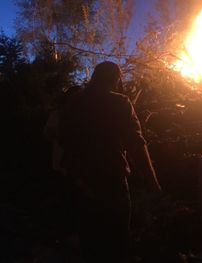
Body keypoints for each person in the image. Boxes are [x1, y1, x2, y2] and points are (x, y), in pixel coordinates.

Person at [59, 61, 161, 263]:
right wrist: (153, 183)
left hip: (79, 186)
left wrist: (76, 175)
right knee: (117, 244)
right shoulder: (120, 103)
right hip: (112, 185)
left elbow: (63, 140)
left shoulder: (72, 103)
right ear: (115, 79)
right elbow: (137, 146)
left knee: (90, 244)